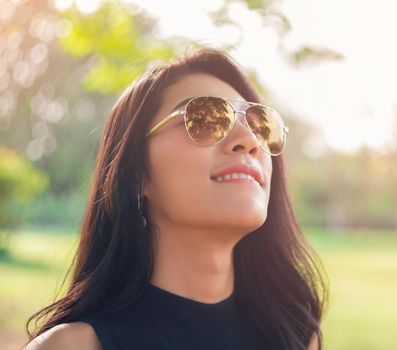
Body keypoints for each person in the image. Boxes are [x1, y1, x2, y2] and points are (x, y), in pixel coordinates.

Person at [24, 48, 328, 350]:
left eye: (260, 126)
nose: (249, 141)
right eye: (205, 120)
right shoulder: (72, 346)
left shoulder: (295, 338)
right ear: (136, 173)